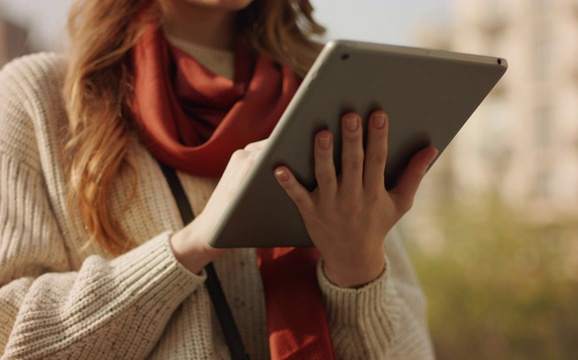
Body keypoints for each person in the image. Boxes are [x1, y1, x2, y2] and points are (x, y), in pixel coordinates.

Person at [0, 0, 438, 358]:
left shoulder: (326, 104)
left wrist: (357, 269)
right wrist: (192, 246)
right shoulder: (40, 99)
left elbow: (413, 350)